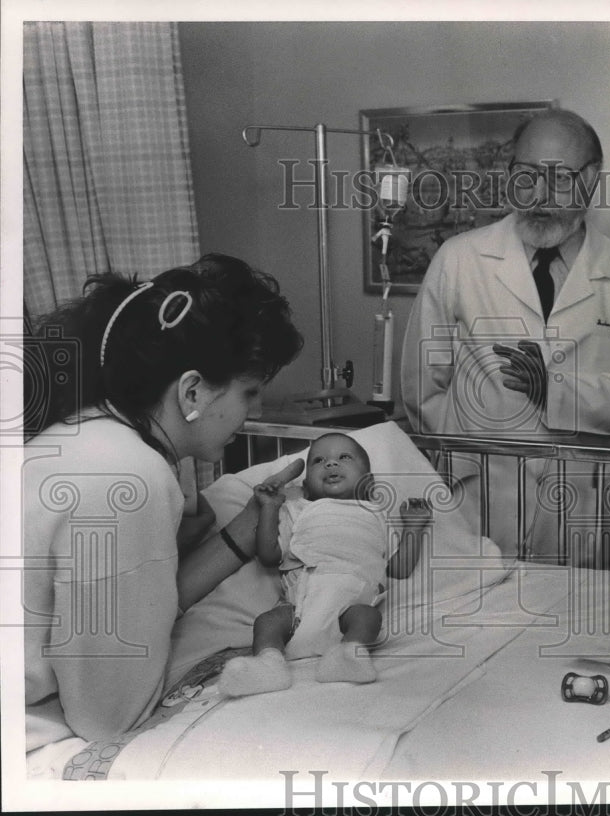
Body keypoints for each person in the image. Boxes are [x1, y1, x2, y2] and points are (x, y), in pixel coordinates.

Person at [23, 254, 303, 751]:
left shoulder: (87, 434)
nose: (253, 412)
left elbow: (141, 598)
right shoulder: (128, 476)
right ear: (193, 391)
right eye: (249, 391)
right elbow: (108, 717)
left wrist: (248, 524)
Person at [401, 108, 610, 566]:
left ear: (591, 181)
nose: (539, 195)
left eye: (560, 178)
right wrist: (472, 458)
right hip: (479, 503)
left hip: (584, 508)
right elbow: (422, 388)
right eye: (526, 175)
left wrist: (558, 390)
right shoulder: (459, 259)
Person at [217, 433, 430, 696]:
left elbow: (400, 568)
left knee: (369, 618)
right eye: (319, 460)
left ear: (369, 482)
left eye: (344, 457)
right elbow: (268, 555)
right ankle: (269, 665)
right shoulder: (299, 509)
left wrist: (414, 528)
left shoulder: (377, 515)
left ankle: (348, 653)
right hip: (300, 605)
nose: (330, 464)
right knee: (267, 622)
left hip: (349, 607)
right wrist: (270, 508)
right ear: (305, 486)